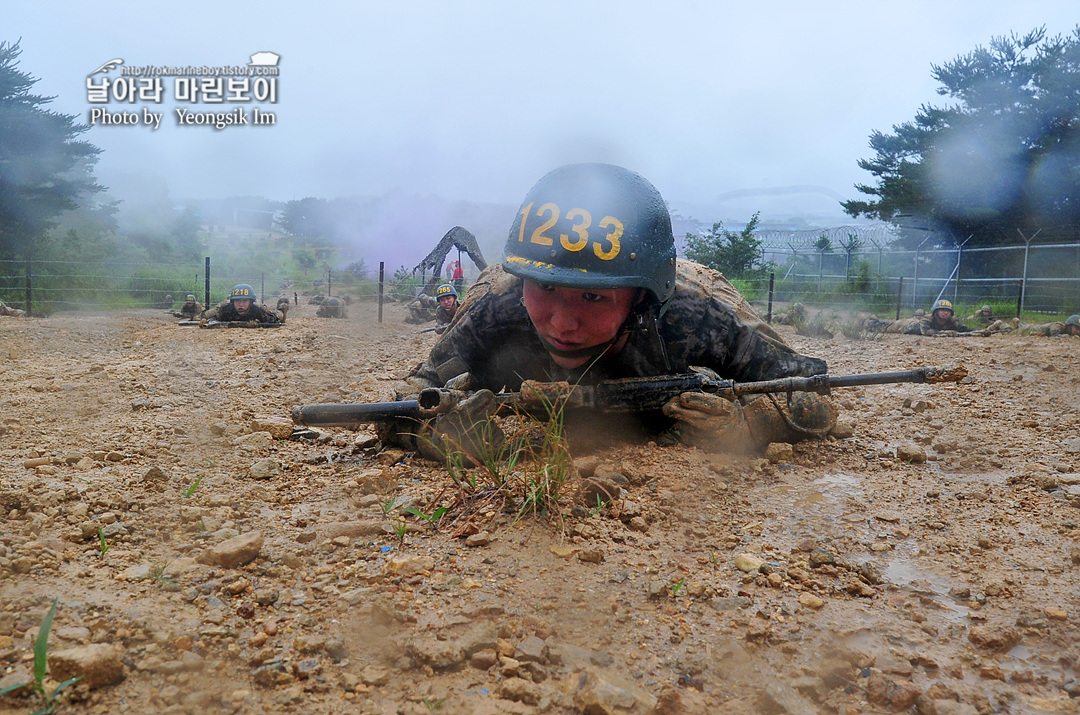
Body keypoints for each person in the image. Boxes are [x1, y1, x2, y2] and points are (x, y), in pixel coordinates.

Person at [383, 163, 836, 461]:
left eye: (594, 297)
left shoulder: (699, 310)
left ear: (640, 296)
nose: (562, 322)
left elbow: (815, 392)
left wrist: (752, 423)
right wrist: (439, 438)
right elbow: (403, 401)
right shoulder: (499, 302)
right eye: (546, 288)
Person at [199, 284, 285, 325]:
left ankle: (282, 308)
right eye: (237, 301)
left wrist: (259, 324)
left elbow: (274, 321)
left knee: (279, 315)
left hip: (271, 313)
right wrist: (207, 322)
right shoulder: (226, 309)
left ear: (251, 302)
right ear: (232, 302)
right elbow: (215, 319)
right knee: (208, 314)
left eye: (244, 301)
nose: (241, 304)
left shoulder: (257, 310)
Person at [901, 299, 974, 336]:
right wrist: (947, 333)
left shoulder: (952, 320)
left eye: (948, 311)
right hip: (906, 326)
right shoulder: (927, 319)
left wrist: (981, 332)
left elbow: (965, 329)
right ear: (936, 312)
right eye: (942, 310)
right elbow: (926, 332)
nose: (945, 313)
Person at [1012, 314, 1080, 337]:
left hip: (1031, 328)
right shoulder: (1059, 325)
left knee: (1022, 325)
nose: (1078, 331)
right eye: (1076, 328)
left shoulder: (1068, 331)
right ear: (1070, 325)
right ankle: (1001, 323)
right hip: (1028, 329)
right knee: (1008, 331)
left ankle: (1017, 322)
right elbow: (1054, 335)